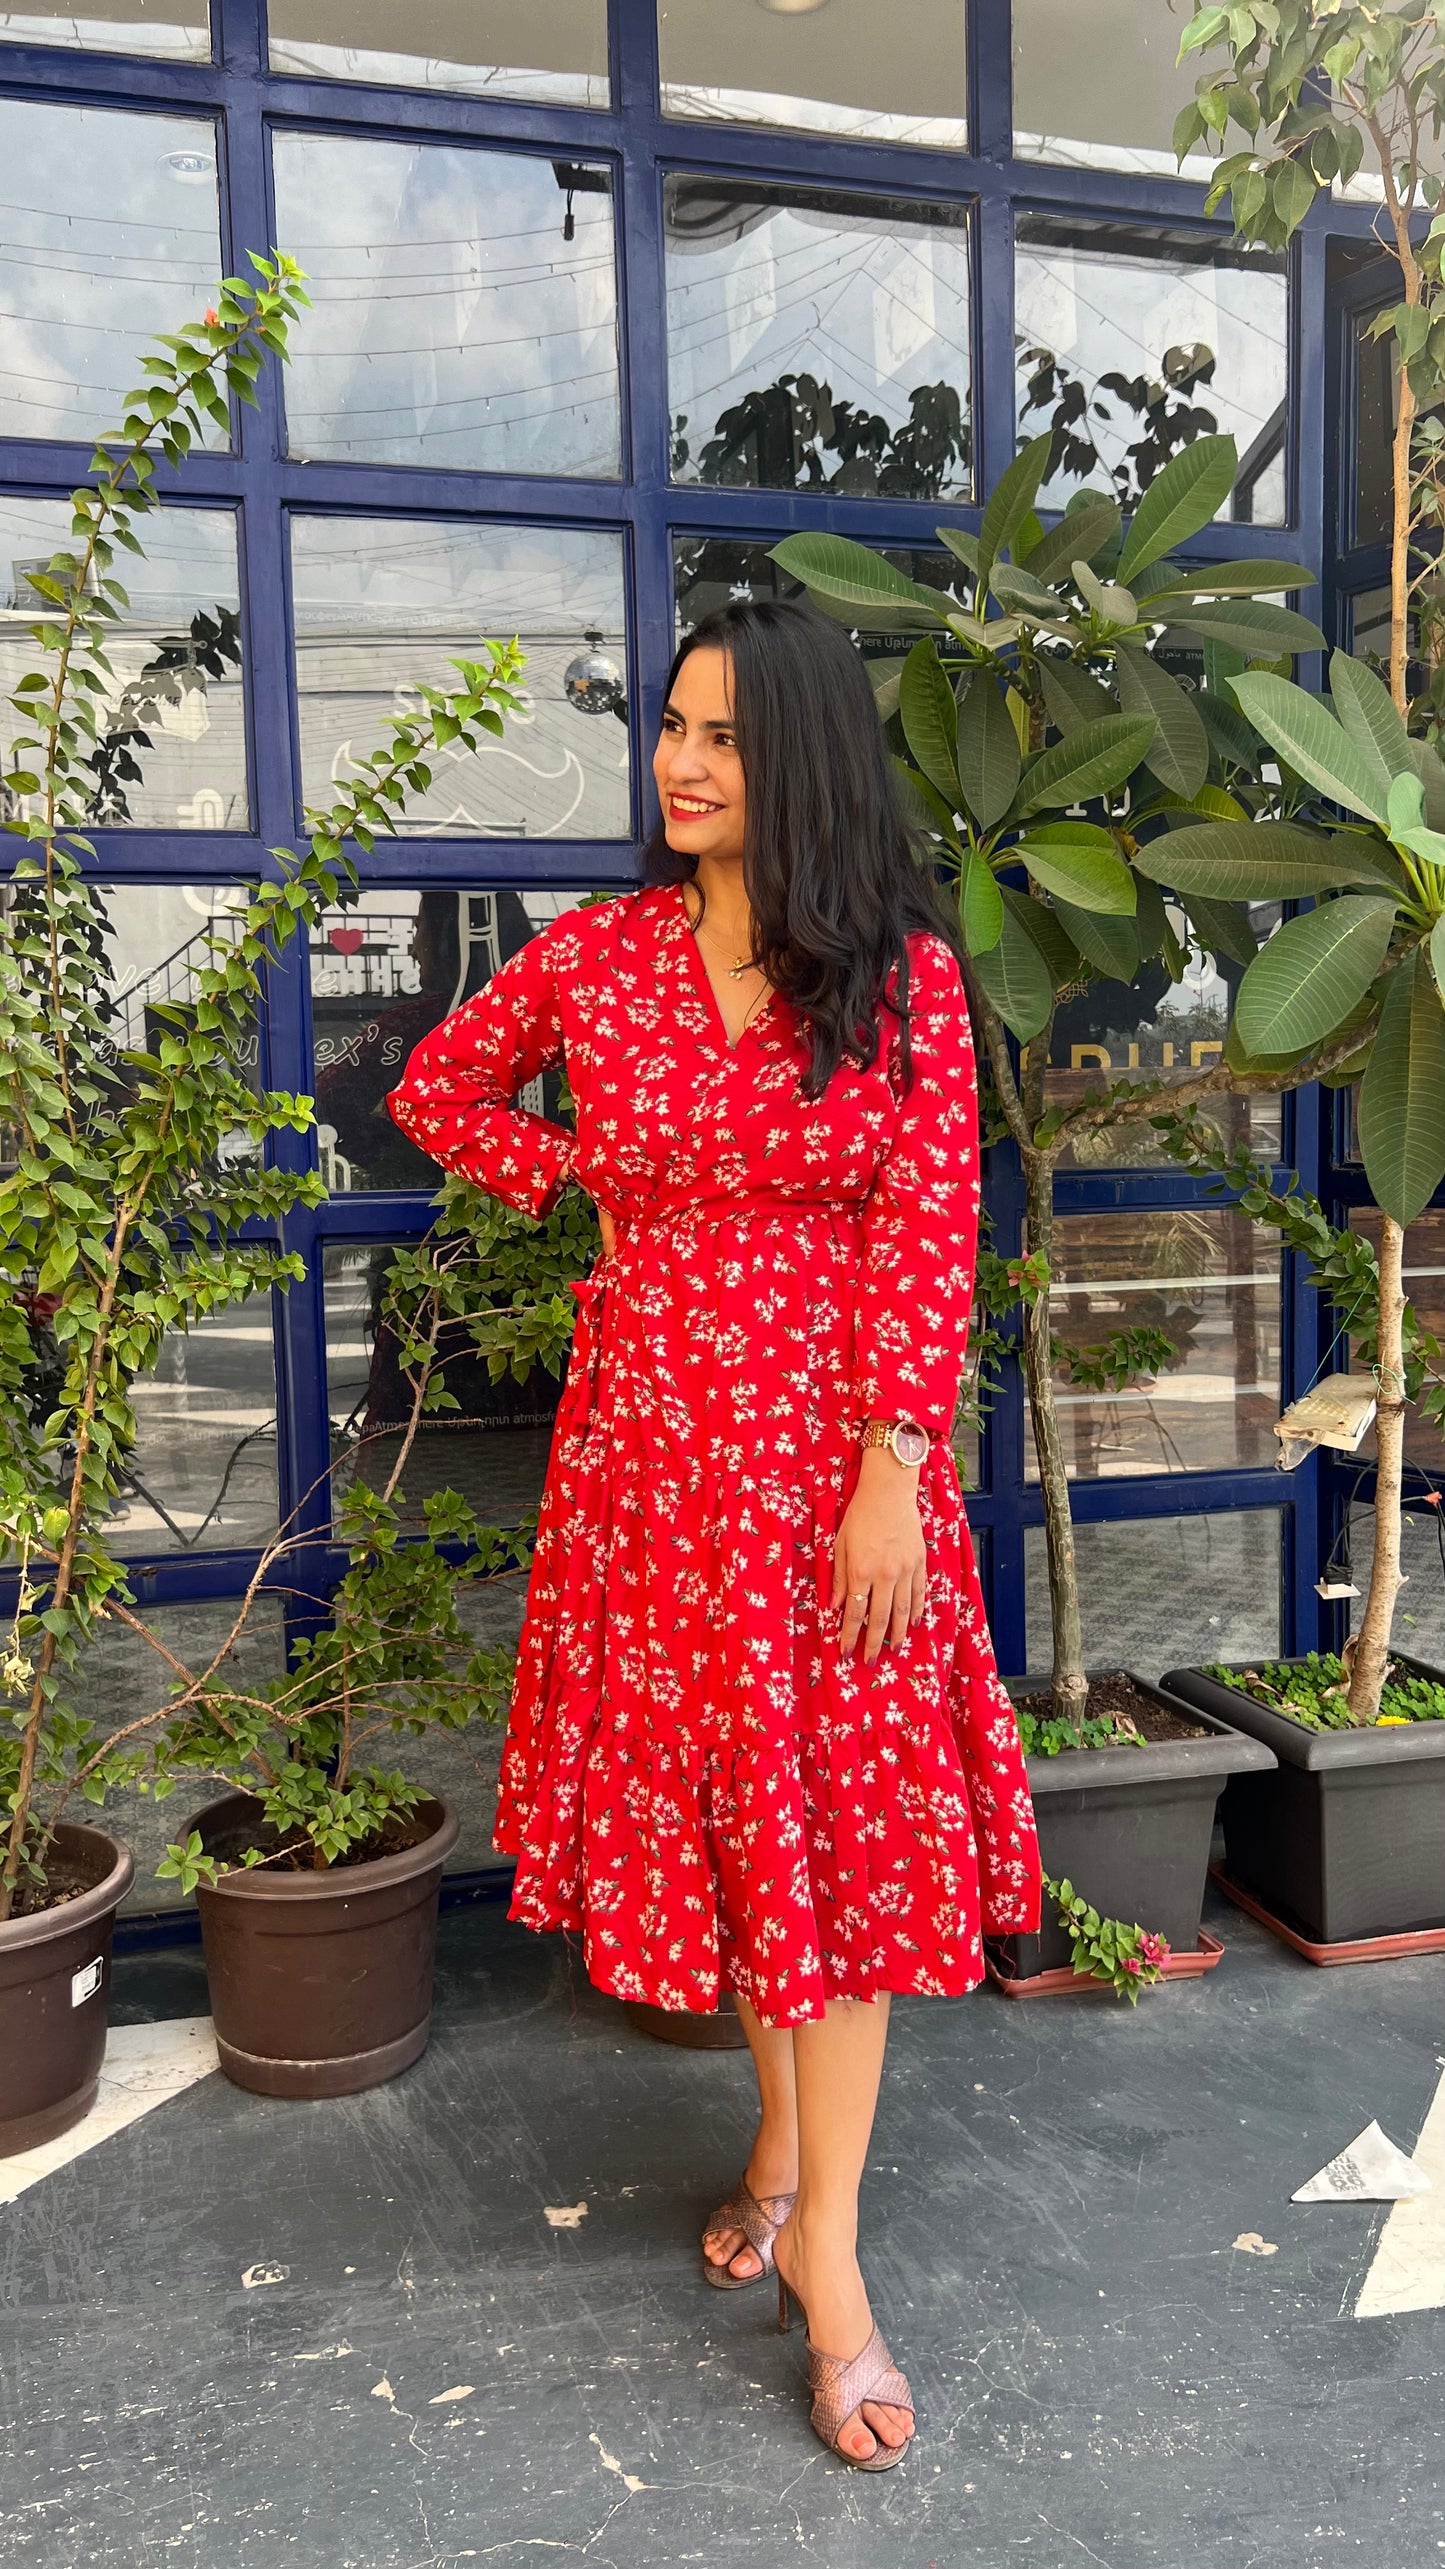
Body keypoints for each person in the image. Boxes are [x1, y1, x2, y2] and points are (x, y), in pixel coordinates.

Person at [388, 598, 1042, 2473]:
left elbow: (930, 1236)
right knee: (739, 1827)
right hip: (652, 1466)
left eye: (722, 735)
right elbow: (437, 1089)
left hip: (840, 1480)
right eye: (671, 725)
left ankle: (823, 2252)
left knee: (832, 1837)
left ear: (806, 756)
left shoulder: (900, 978)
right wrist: (589, 1173)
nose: (678, 760)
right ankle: (786, 2169)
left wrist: (895, 1468)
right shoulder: (596, 960)